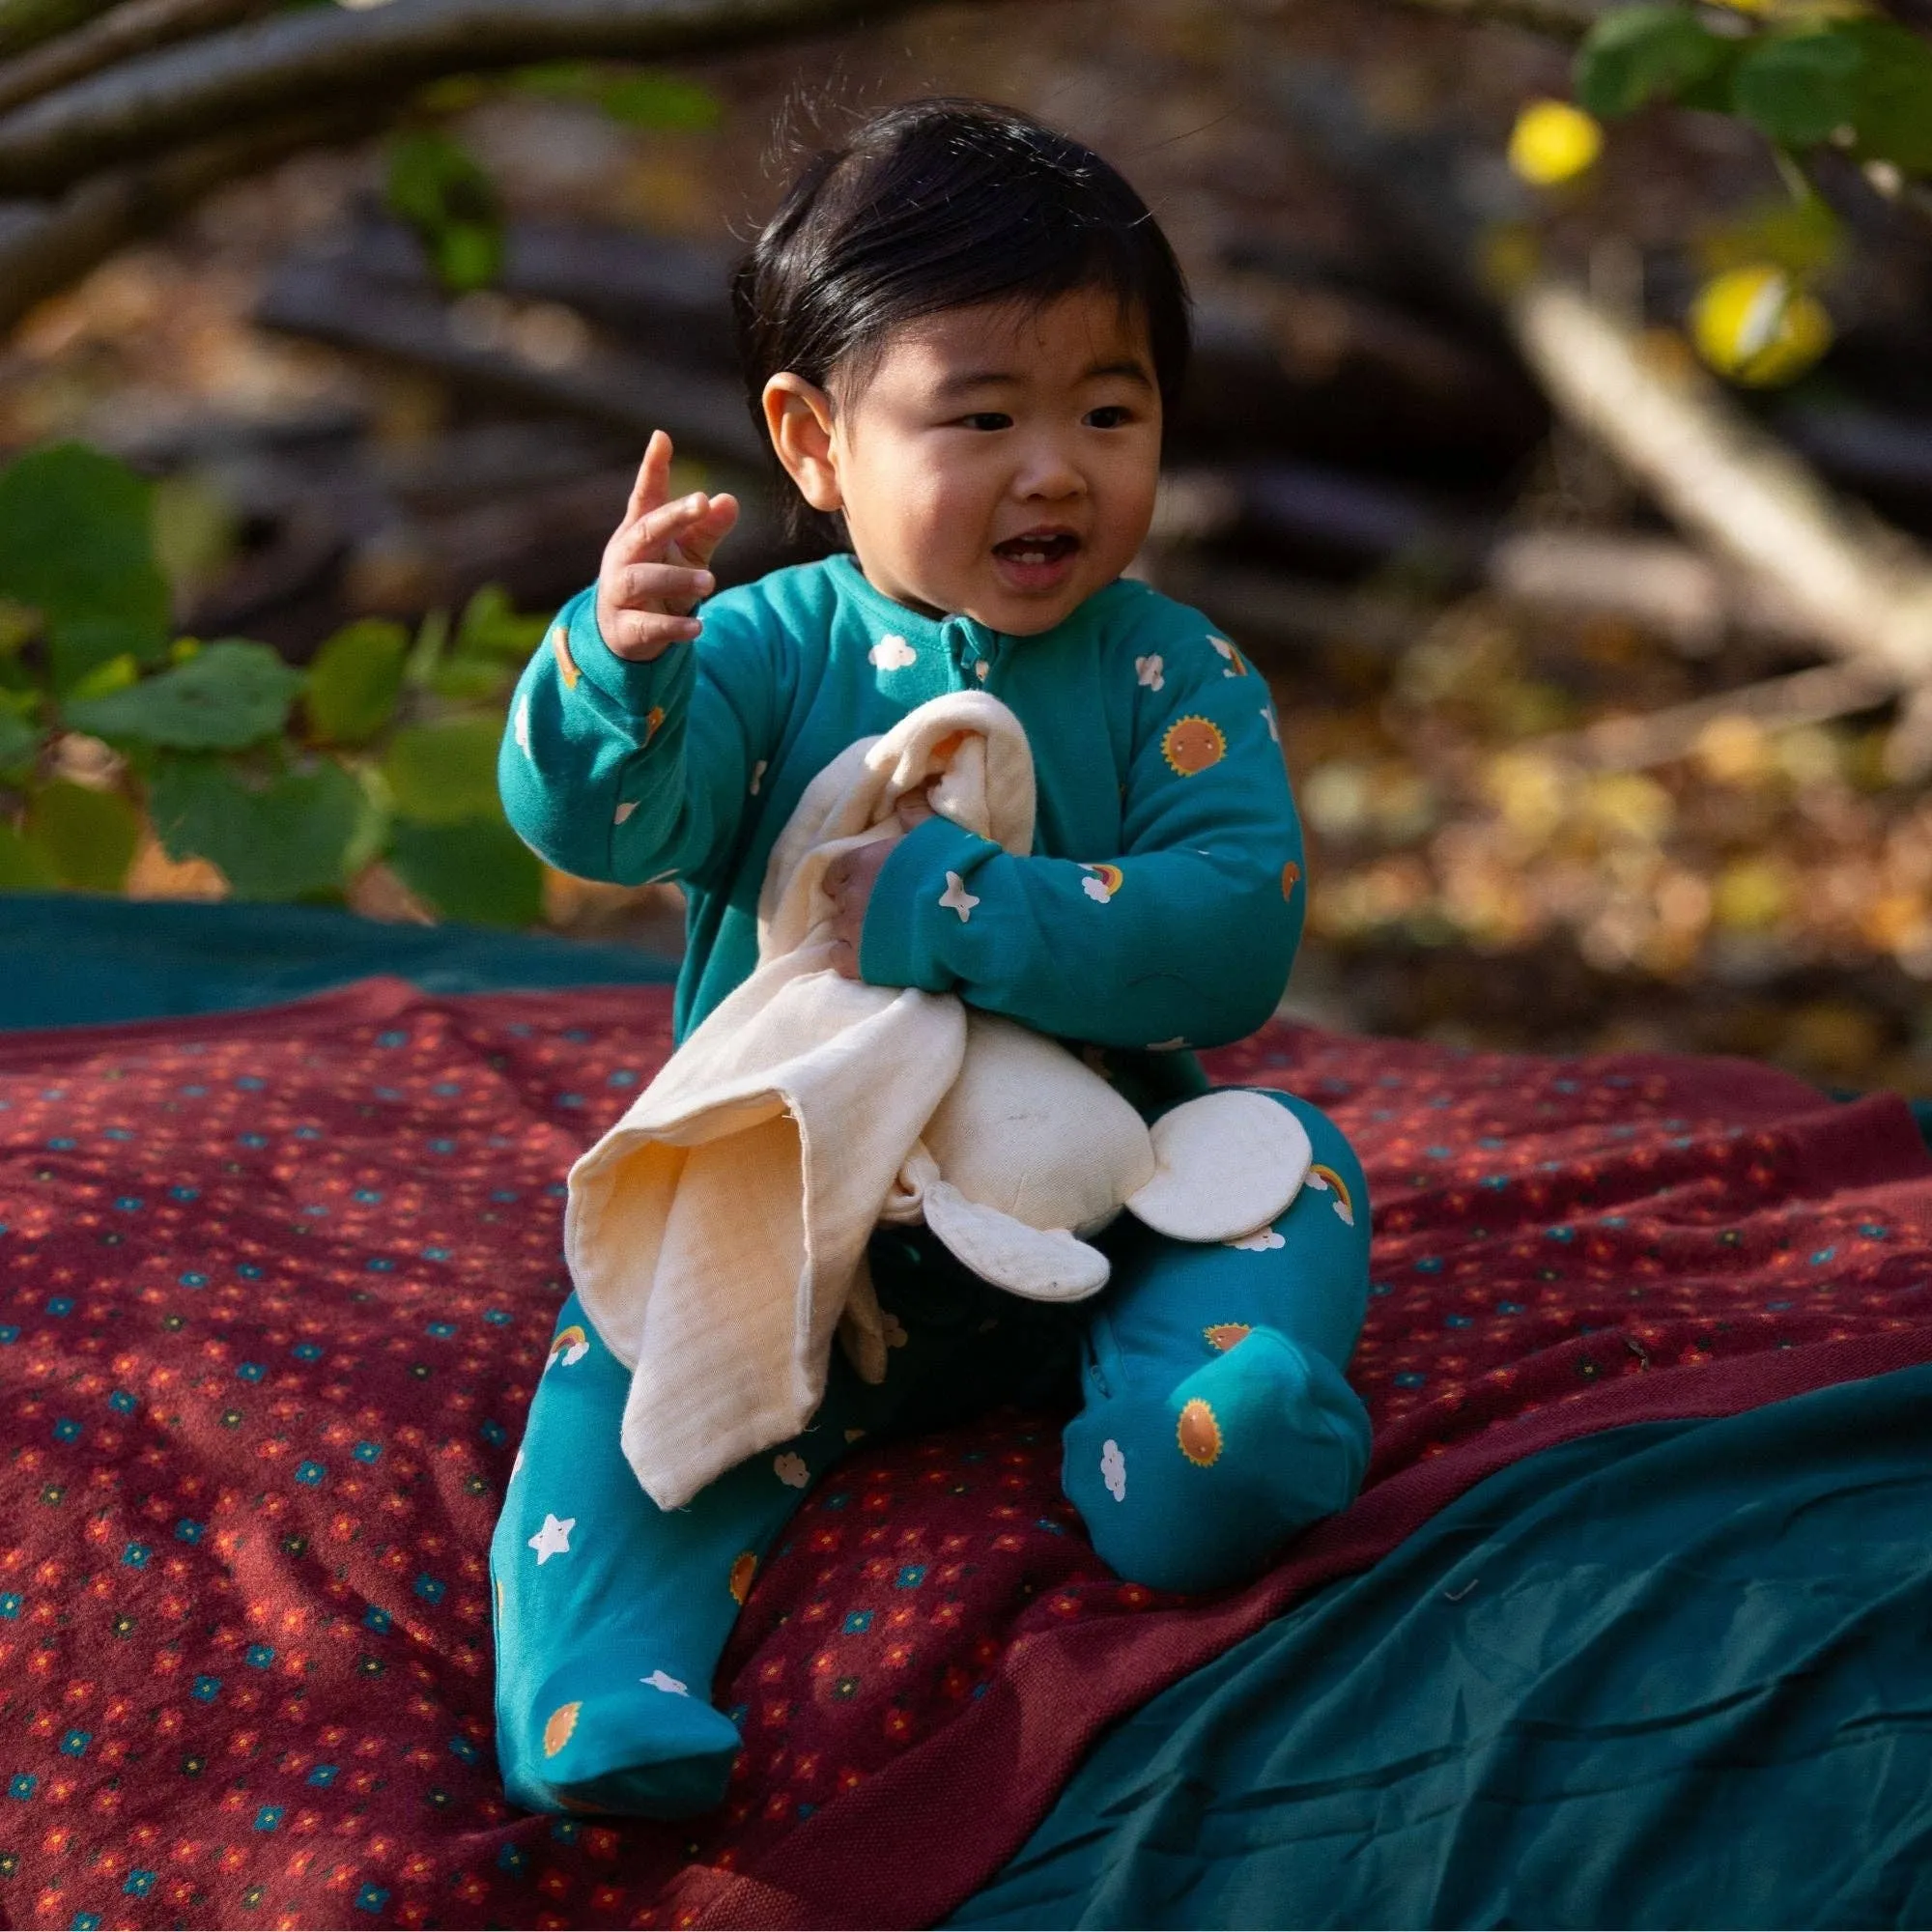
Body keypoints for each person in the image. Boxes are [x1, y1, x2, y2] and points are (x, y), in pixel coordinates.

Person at [489, 96, 1374, 1820]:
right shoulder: (759, 652)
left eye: (1109, 412)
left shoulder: (1169, 675)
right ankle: (599, 1675)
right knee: (635, 1363)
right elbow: (609, 827)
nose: (1057, 467)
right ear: (813, 443)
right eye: (982, 415)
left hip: (1119, 1206)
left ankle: (1198, 1436)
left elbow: (1230, 937)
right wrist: (607, 678)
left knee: (1288, 1186)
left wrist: (950, 906)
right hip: (827, 1227)